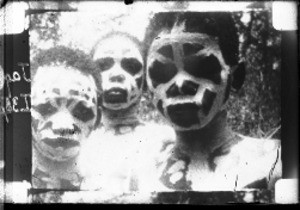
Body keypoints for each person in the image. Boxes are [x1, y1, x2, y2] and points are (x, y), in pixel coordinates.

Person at [144, 12, 282, 191]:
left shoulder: (273, 163)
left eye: (200, 67)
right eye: (162, 72)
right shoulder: (139, 174)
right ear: (147, 86)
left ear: (236, 76)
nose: (179, 83)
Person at [31, 46, 101, 190]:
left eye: (80, 112)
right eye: (47, 108)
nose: (64, 125)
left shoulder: (108, 188)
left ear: (98, 120)